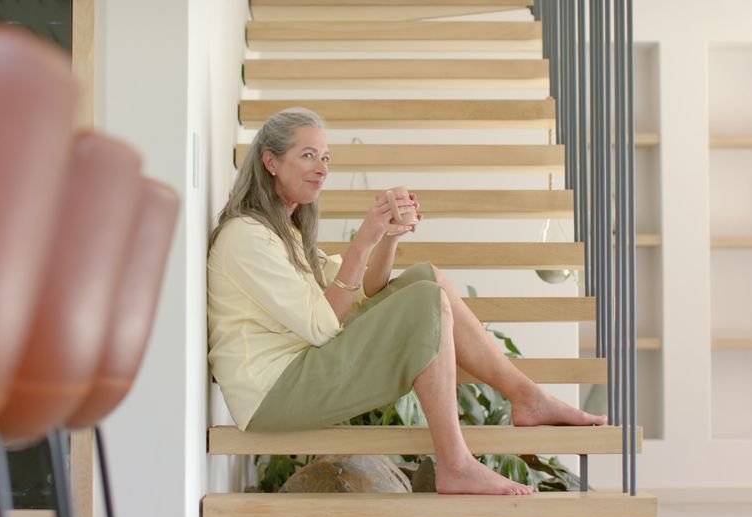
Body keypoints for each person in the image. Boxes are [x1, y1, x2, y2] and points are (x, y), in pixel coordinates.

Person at [207, 108, 607, 496]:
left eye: (326, 157)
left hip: (297, 373)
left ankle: (526, 397)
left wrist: (389, 237)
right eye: (308, 155)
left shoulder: (284, 233)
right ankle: (456, 462)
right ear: (270, 162)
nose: (322, 168)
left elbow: (361, 294)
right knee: (425, 302)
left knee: (426, 277)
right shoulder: (248, 236)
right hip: (273, 393)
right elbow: (322, 324)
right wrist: (363, 241)